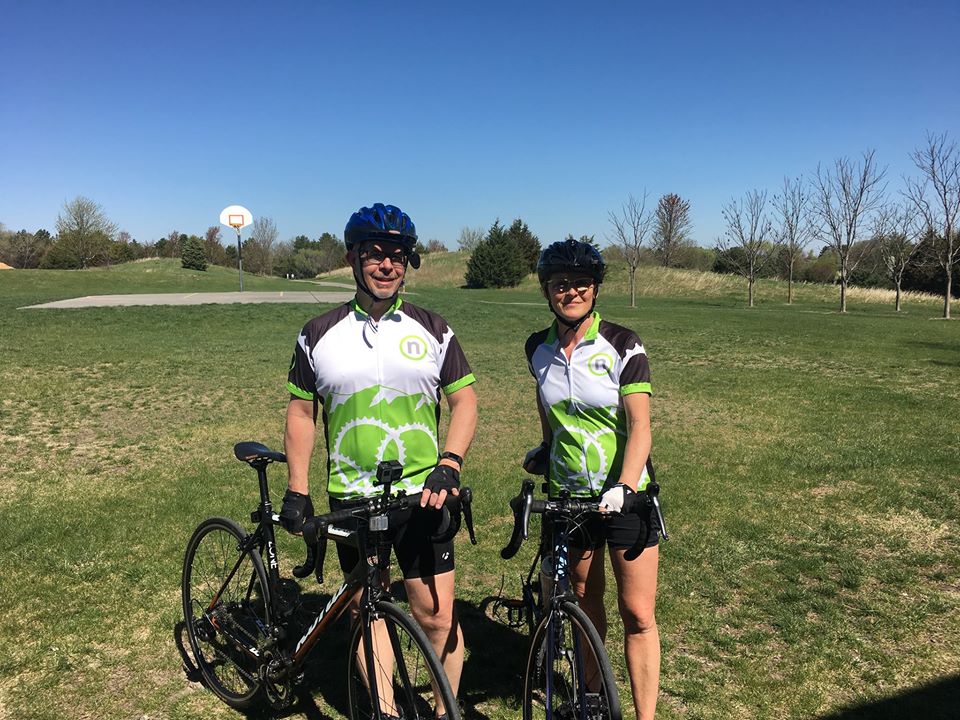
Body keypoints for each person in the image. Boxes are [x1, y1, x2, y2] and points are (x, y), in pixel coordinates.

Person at [282, 203, 478, 719]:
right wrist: (297, 489)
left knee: (436, 618)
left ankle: (442, 712)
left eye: (398, 255)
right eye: (375, 254)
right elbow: (302, 413)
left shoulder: (434, 329)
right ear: (353, 258)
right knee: (367, 610)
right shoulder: (317, 332)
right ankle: (388, 712)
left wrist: (450, 461)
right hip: (351, 496)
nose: (387, 265)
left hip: (422, 492)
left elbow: (466, 402)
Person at [522, 238, 661, 720]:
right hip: (567, 495)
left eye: (581, 283)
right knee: (583, 600)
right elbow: (549, 405)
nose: (571, 292)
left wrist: (624, 485)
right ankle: (592, 697)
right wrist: (546, 445)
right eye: (561, 284)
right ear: (547, 290)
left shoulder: (623, 344)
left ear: (595, 289)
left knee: (638, 614)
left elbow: (640, 426)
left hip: (627, 496)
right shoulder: (536, 349)